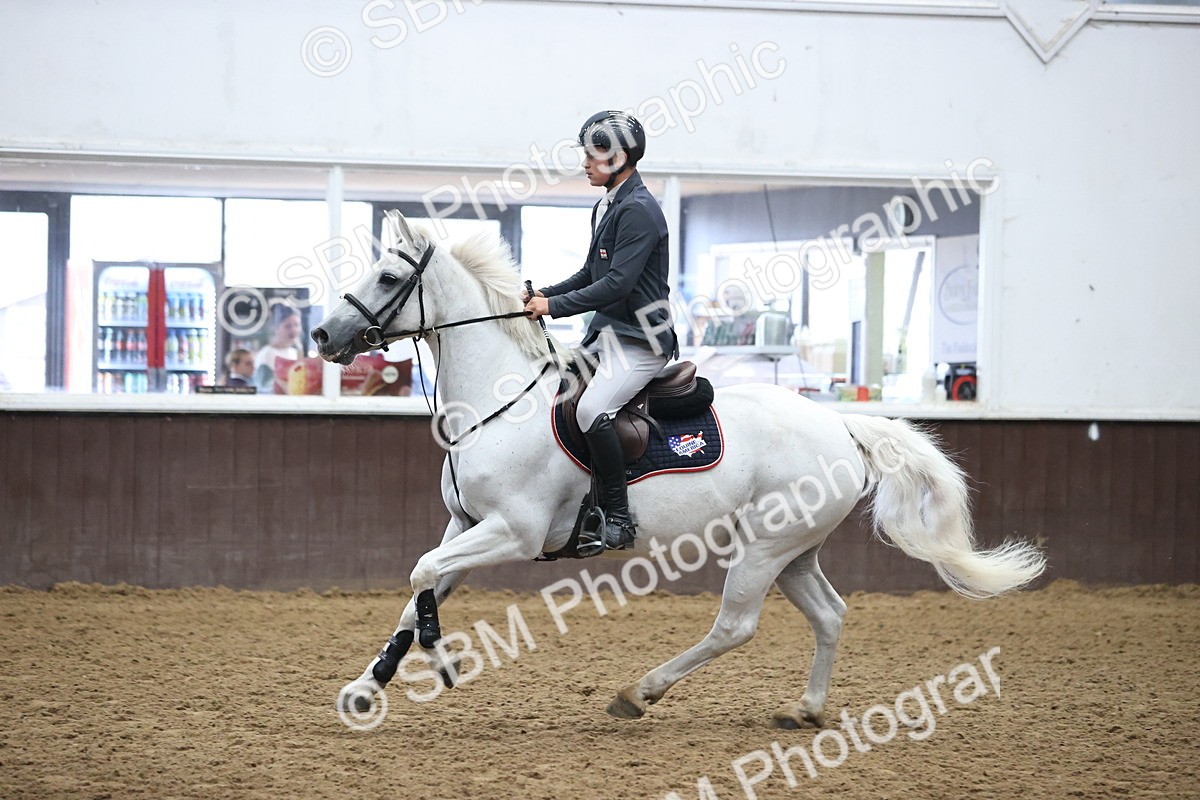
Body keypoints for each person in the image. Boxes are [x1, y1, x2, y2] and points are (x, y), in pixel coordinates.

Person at [524, 110, 677, 556]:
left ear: (620, 157)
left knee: (591, 410)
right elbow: (592, 271)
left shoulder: (640, 210)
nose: (585, 162)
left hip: (642, 341)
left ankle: (618, 515)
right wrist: (543, 294)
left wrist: (552, 307)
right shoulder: (607, 205)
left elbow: (617, 285)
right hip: (609, 338)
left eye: (593, 154)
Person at [254, 305, 303, 393]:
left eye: (297, 325)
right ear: (276, 328)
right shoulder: (267, 354)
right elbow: (262, 388)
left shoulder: (295, 352)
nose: (294, 330)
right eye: (288, 326)